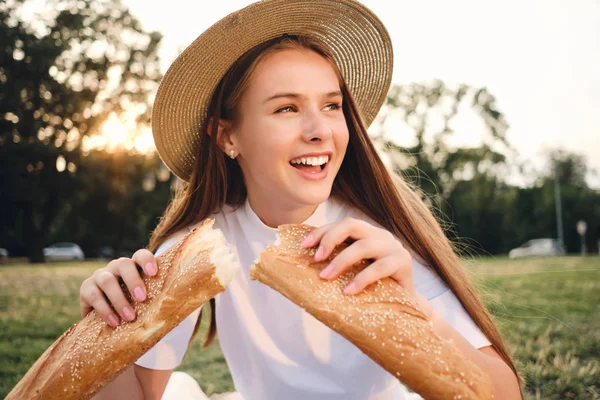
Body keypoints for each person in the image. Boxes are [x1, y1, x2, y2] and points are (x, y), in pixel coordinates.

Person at [79, 1, 522, 399]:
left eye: (331, 106)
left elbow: (501, 394)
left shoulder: (376, 239)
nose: (320, 129)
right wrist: (107, 330)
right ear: (227, 135)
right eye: (286, 108)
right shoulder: (193, 246)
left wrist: (415, 308)